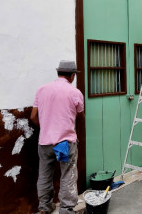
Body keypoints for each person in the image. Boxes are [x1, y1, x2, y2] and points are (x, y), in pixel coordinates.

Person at [30, 60, 84, 214]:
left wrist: (47, 127)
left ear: (58, 73)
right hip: (65, 142)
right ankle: (66, 209)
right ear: (72, 75)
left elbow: (33, 117)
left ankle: (44, 207)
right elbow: (80, 117)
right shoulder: (74, 92)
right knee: (68, 174)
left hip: (45, 141)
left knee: (45, 174)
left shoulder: (42, 89)